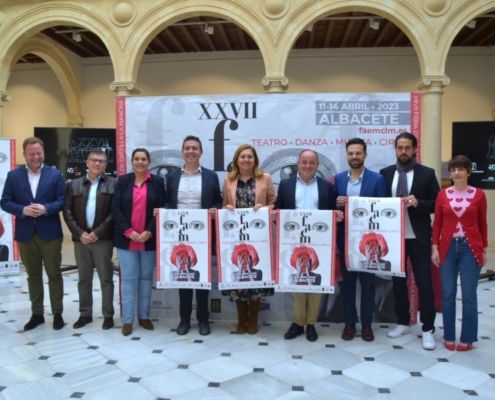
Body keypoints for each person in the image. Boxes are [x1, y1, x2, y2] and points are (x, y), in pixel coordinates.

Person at [274, 149, 343, 342]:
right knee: (296, 284)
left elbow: (331, 212)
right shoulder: (286, 185)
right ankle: (298, 323)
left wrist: (336, 217)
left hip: (318, 242)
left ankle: (311, 325)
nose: (307, 166)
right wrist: (275, 217)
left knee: (315, 285)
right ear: (298, 163)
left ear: (317, 165)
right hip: (292, 242)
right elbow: (279, 211)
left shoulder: (326, 187)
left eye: (311, 162)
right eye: (304, 162)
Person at [380, 132, 439, 350]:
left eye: (407, 148)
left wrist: (418, 203)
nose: (403, 152)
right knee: (397, 282)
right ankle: (403, 321)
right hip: (394, 238)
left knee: (424, 282)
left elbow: (436, 204)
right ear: (395, 149)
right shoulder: (386, 174)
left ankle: (428, 329)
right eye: (400, 148)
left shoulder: (427, 174)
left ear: (415, 149)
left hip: (419, 237)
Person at [0, 137, 66, 331]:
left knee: (54, 274)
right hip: (25, 233)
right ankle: (37, 313)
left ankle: (57, 313)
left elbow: (62, 201)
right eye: (32, 154)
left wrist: (46, 208)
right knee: (33, 275)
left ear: (43, 153)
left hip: (51, 233)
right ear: (24, 155)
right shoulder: (14, 176)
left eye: (39, 153)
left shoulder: (55, 175)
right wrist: (22, 210)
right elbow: (4, 201)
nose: (36, 157)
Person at [165, 135, 222, 336]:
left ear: (201, 152)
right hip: (180, 236)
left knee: (203, 280)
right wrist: (162, 213)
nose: (191, 151)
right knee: (184, 277)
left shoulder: (210, 176)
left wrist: (215, 209)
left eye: (195, 148)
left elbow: (217, 200)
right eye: (188, 148)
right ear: (182, 151)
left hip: (203, 235)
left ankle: (204, 320)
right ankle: (184, 320)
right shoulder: (172, 177)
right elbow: (168, 203)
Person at [431, 155, 487, 351]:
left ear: (468, 172)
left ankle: (468, 337)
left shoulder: (478, 194)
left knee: (469, 295)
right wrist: (435, 247)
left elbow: (482, 224)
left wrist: (484, 248)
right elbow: (437, 223)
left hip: (470, 249)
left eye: (461, 169)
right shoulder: (443, 195)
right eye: (453, 169)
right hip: (447, 247)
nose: (457, 173)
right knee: (448, 295)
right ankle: (449, 335)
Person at [335, 138, 387, 342]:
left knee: (368, 286)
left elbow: (382, 210)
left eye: (358, 153)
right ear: (346, 155)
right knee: (348, 286)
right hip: (346, 241)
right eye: (351, 153)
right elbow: (333, 209)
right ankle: (349, 324)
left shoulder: (377, 179)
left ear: (365, 155)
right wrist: (336, 204)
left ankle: (366, 325)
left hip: (369, 244)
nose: (354, 157)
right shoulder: (339, 179)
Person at [222, 144, 276, 334]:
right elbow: (224, 206)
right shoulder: (228, 180)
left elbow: (273, 204)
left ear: (255, 160)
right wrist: (227, 209)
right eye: (242, 157)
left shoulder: (265, 178)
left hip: (259, 236)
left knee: (256, 272)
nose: (246, 160)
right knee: (238, 273)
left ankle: (253, 317)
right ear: (236, 160)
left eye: (249, 157)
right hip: (236, 237)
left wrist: (265, 209)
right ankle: (241, 317)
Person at [111, 148, 166, 336]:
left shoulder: (157, 182)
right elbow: (116, 207)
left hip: (148, 240)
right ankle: (127, 320)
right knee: (128, 279)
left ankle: (143, 316)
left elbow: (161, 208)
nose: (140, 162)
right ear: (132, 162)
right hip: (126, 239)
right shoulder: (123, 181)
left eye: (143, 159)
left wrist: (149, 232)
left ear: (149, 162)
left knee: (145, 279)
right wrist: (129, 231)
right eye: (137, 159)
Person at [63, 150, 117, 330]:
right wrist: (80, 233)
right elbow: (67, 211)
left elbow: (114, 212)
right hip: (81, 240)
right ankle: (85, 314)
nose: (97, 164)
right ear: (87, 163)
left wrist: (98, 232)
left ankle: (108, 315)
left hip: (102, 238)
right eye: (94, 160)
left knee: (106, 279)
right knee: (84, 279)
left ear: (105, 166)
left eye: (101, 161)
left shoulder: (113, 184)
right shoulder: (74, 184)